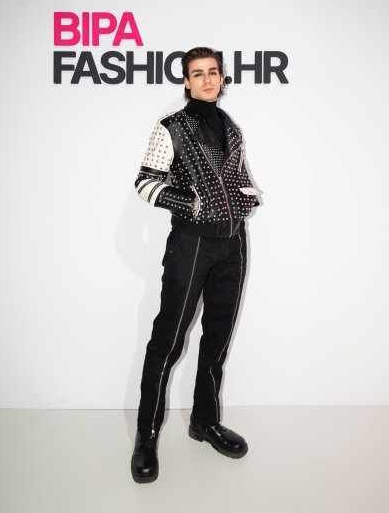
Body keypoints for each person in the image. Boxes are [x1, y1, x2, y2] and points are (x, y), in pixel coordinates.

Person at [131, 46, 260, 483]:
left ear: (222, 78)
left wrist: (247, 196)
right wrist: (193, 204)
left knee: (218, 338)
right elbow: (145, 183)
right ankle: (146, 437)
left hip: (233, 245)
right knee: (167, 342)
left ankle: (204, 421)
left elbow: (237, 176)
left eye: (213, 72)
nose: (207, 80)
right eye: (198, 73)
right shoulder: (171, 126)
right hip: (190, 245)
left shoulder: (232, 127)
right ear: (186, 81)